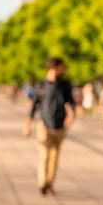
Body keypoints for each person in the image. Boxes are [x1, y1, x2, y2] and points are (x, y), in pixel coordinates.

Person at [23, 57, 75, 196]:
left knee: (54, 156)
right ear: (54, 68)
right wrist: (27, 126)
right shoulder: (41, 85)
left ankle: (49, 183)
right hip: (44, 125)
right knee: (44, 155)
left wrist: (71, 114)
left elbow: (70, 102)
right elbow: (33, 107)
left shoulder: (64, 85)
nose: (64, 70)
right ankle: (42, 183)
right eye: (62, 67)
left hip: (60, 126)